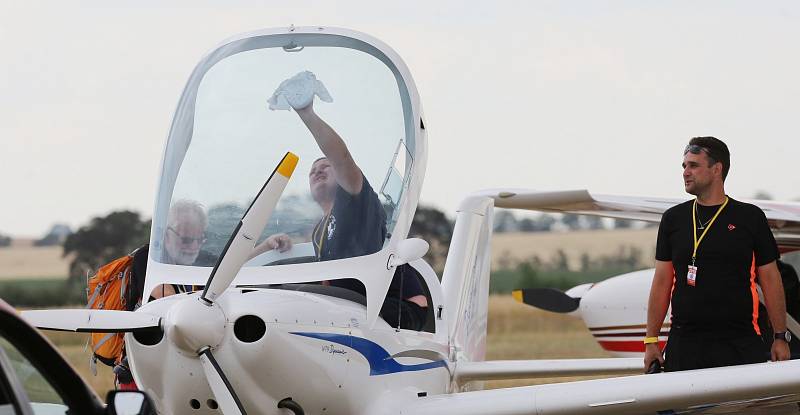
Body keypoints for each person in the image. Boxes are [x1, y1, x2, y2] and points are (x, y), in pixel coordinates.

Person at [258, 72, 429, 330]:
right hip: (355, 307)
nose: (318, 170)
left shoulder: (355, 203)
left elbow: (342, 157)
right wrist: (270, 246)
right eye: (313, 170)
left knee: (290, 300)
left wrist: (307, 113)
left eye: (326, 166)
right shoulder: (320, 230)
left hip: (397, 308)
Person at [644, 136, 790, 372]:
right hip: (686, 342)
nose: (685, 172)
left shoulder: (749, 217)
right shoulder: (673, 219)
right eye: (684, 166)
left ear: (716, 169)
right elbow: (661, 281)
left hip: (739, 340)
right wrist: (651, 341)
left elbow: (771, 279)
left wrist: (780, 337)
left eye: (693, 165)